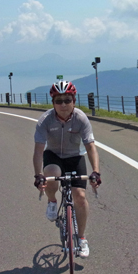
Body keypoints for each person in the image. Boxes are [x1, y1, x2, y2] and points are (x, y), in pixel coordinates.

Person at [33, 81, 101, 258]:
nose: (63, 104)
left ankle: (82, 238)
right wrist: (38, 175)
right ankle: (52, 201)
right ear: (53, 102)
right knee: (52, 174)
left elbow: (90, 147)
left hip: (74, 157)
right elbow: (39, 150)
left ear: (74, 101)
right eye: (59, 101)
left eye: (67, 100)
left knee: (80, 196)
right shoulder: (45, 120)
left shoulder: (81, 118)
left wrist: (95, 171)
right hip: (53, 155)